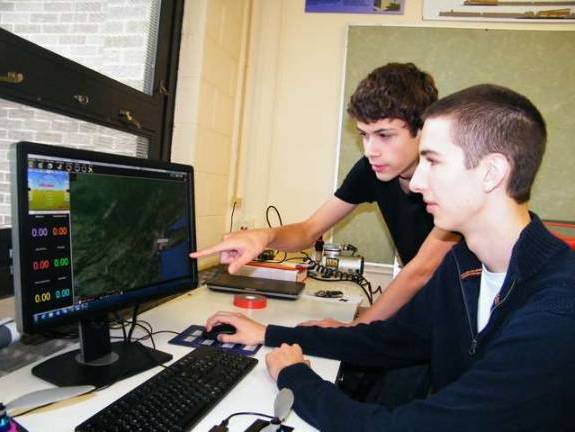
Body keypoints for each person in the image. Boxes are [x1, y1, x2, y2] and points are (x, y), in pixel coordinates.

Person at [205, 84, 575, 430]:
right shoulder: (464, 265)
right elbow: (390, 340)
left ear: (491, 172)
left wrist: (295, 376)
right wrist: (268, 333)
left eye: (433, 161)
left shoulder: (558, 309)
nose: (415, 183)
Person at [191, 63, 459, 327]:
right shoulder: (371, 170)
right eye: (364, 135)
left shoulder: (452, 179)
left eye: (384, 135)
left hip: (463, 311)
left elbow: (421, 271)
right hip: (425, 304)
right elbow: (309, 230)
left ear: (423, 129)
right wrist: (265, 237)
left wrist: (355, 329)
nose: (371, 150)